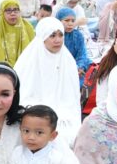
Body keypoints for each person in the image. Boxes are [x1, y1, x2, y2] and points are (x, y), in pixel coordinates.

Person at [13, 18, 81, 146]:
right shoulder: (29, 60)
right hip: (32, 109)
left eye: (61, 35)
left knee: (68, 136)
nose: (58, 40)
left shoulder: (68, 60)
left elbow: (72, 98)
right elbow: (21, 95)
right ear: (42, 37)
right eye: (52, 35)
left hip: (64, 112)